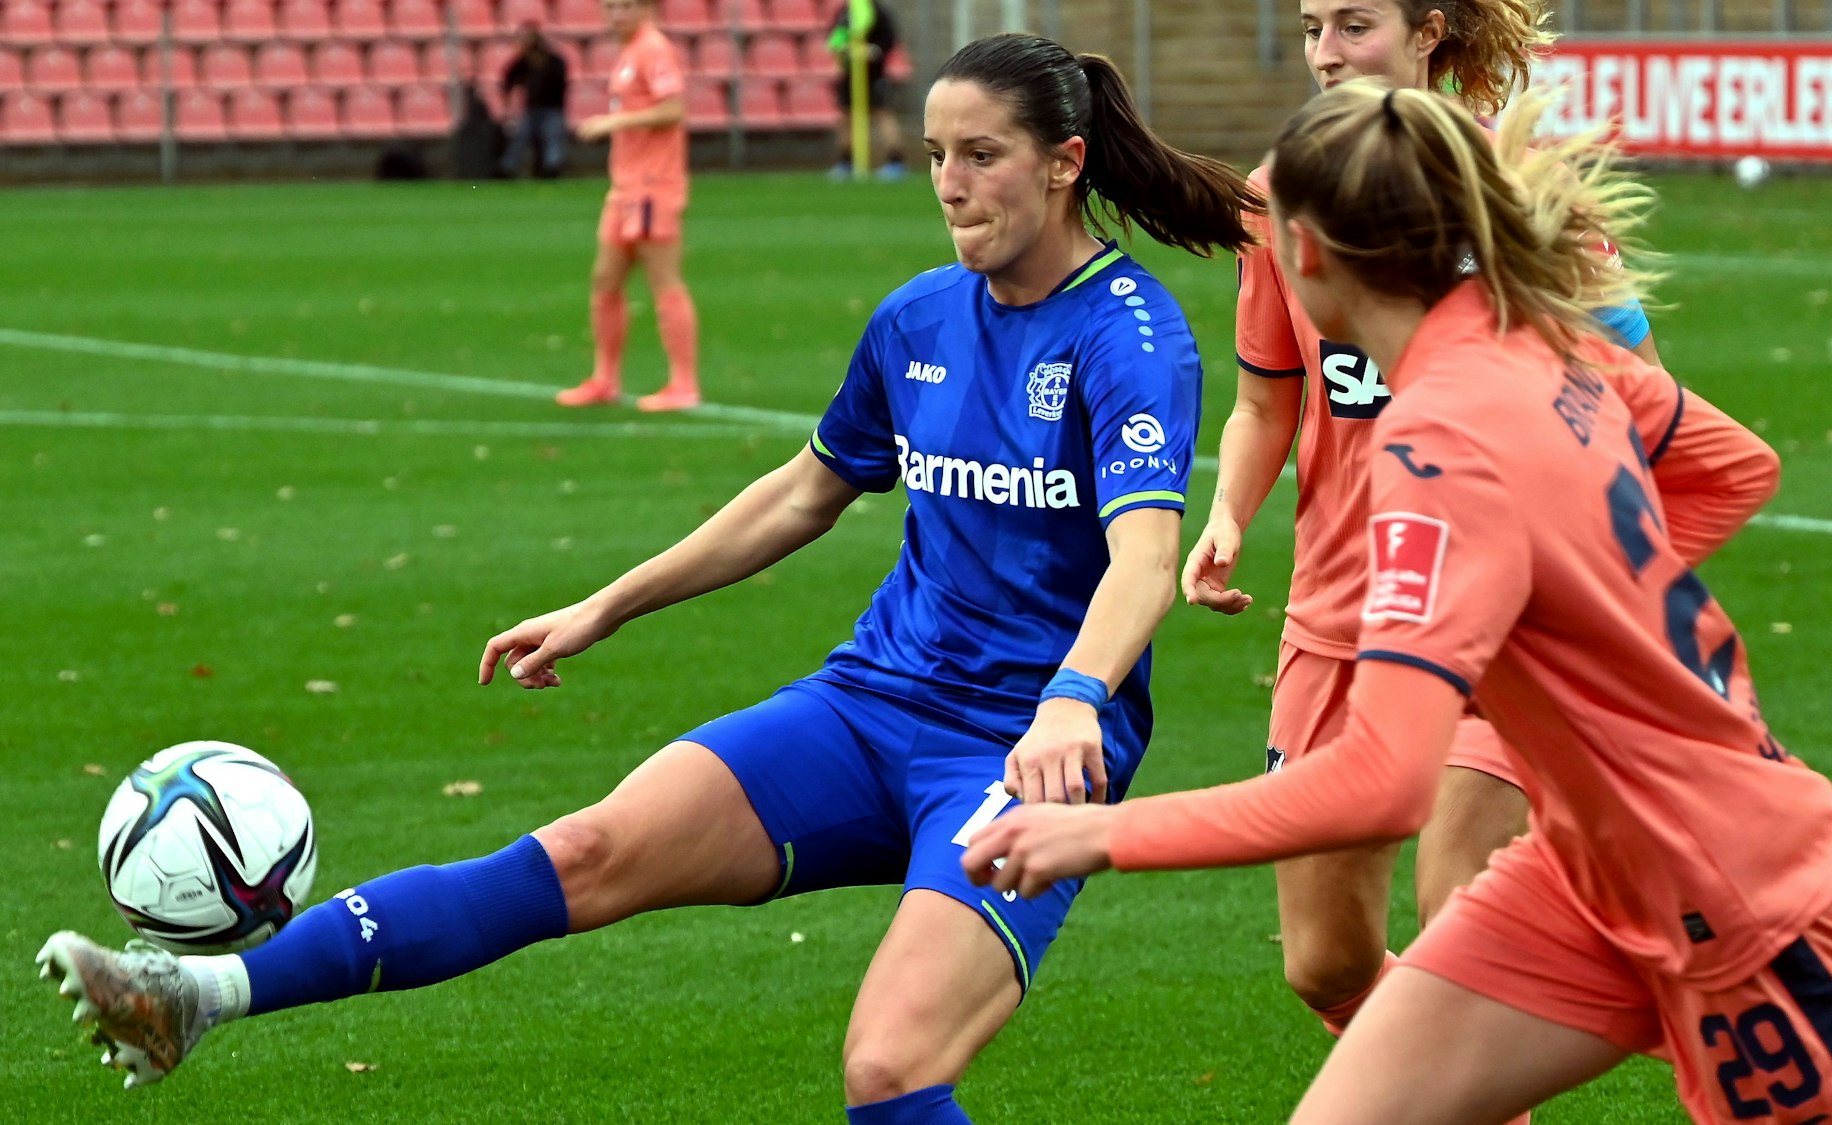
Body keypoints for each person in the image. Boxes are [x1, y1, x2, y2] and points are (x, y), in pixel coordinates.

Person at [36, 33, 1260, 1124]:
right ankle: (193, 992)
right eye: (936, 153)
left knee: (889, 1071)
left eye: (981, 155)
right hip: (867, 704)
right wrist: (607, 602)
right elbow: (802, 490)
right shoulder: (917, 318)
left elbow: (1142, 558)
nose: (947, 183)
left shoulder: (1128, 336)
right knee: (582, 853)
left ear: (1063, 162)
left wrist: (1070, 702)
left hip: (1016, 752)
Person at [964, 81, 1832, 1125]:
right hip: (1579, 881)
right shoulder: (1543, 341)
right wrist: (1563, 605)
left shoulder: (1436, 439)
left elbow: (1381, 784)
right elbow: (1732, 466)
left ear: (1314, 257)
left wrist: (1101, 836)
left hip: (1744, 902)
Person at [1179, 0, 1759, 1065]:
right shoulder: (1278, 197)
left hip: (1493, 628)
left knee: (1461, 931)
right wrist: (1226, 513)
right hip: (1337, 620)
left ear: (1428, 30)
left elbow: (1643, 416)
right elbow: (1268, 400)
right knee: (1325, 965)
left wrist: (1571, 590)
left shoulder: (1514, 189)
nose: (1324, 54)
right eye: (1310, 27)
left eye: (1351, 25)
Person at [555, 0, 700, 412]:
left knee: (664, 280)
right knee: (605, 280)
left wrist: (613, 122)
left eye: (624, 6)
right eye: (609, 7)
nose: (614, 15)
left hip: (654, 186)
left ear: (645, 9)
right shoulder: (630, 53)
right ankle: (605, 378)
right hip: (625, 187)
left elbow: (673, 109)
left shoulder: (654, 49)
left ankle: (684, 384)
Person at [826, 1, 907, 180]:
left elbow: (889, 39)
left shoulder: (877, 12)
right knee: (846, 118)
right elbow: (836, 37)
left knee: (882, 115)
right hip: (850, 75)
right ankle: (846, 162)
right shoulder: (845, 12)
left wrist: (873, 51)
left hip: (874, 75)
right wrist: (843, 48)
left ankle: (895, 162)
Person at [498, 23, 571, 178]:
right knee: (520, 138)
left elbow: (561, 82)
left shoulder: (554, 61)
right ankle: (506, 168)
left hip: (553, 108)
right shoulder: (523, 62)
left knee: (553, 139)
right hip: (531, 108)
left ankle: (552, 168)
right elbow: (507, 78)